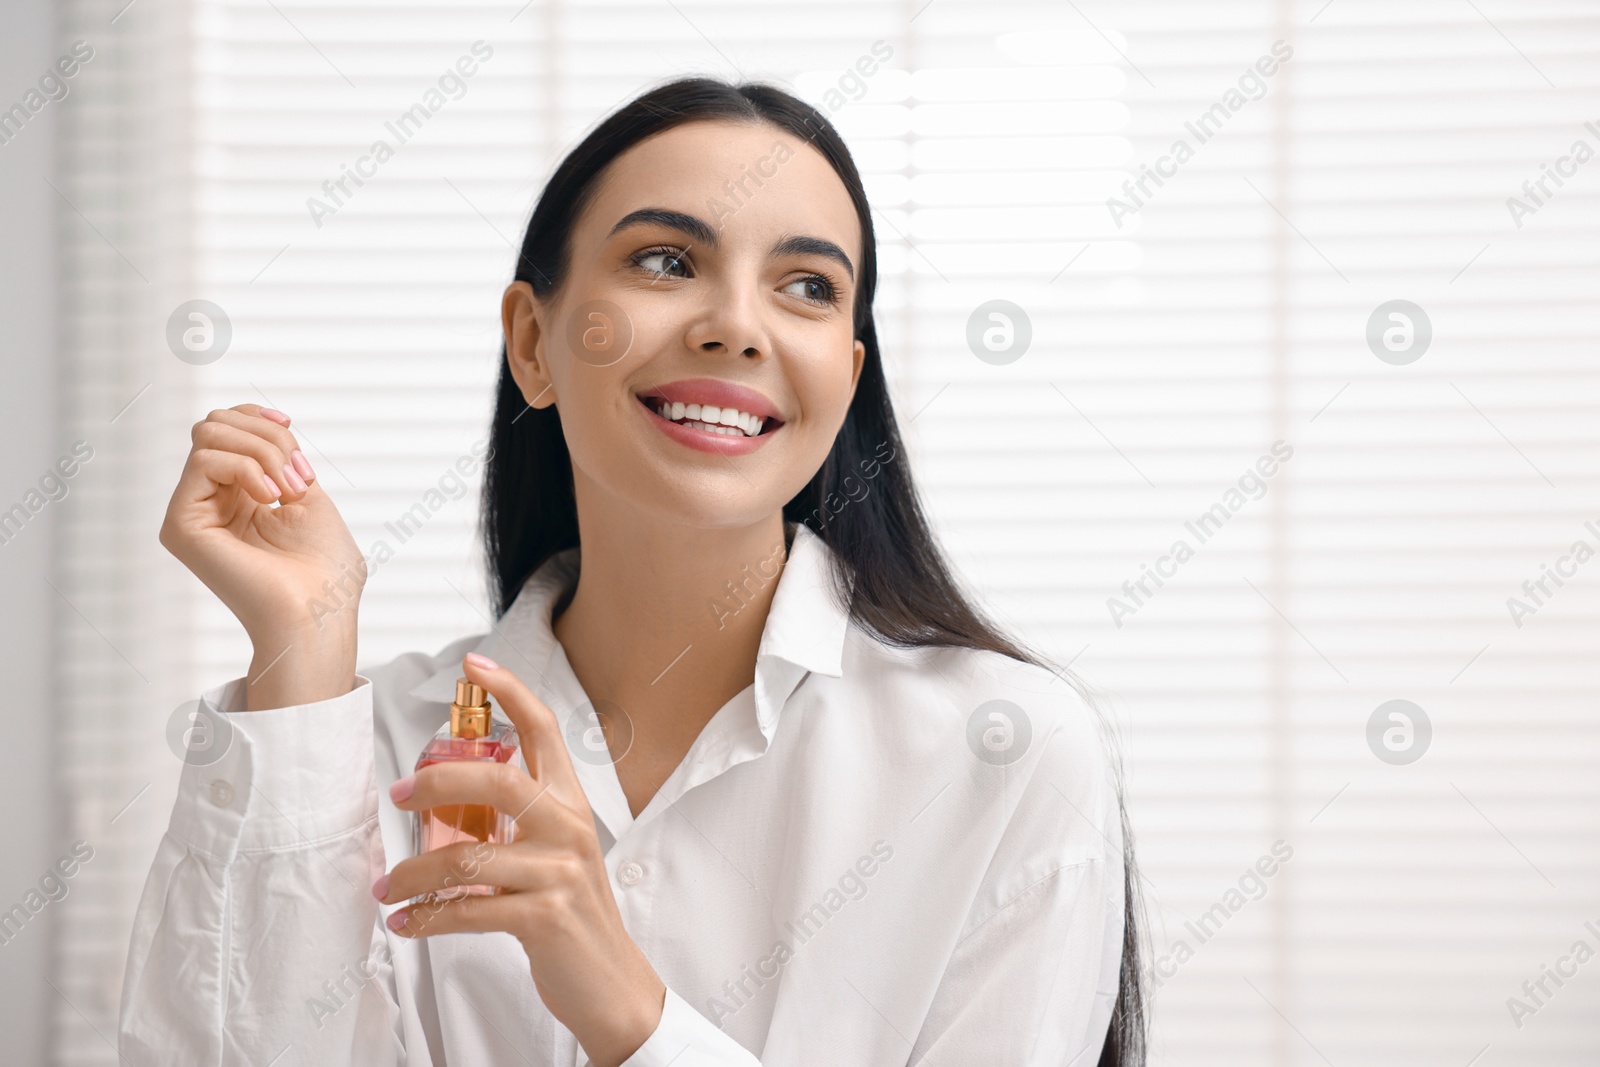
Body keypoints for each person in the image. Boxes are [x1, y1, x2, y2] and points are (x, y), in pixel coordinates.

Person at [118, 77, 1145, 1066]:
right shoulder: (365, 745)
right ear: (533, 342)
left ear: (846, 373)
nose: (736, 326)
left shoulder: (1006, 755)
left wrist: (627, 1007)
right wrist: (299, 655)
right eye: (664, 261)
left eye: (807, 286)